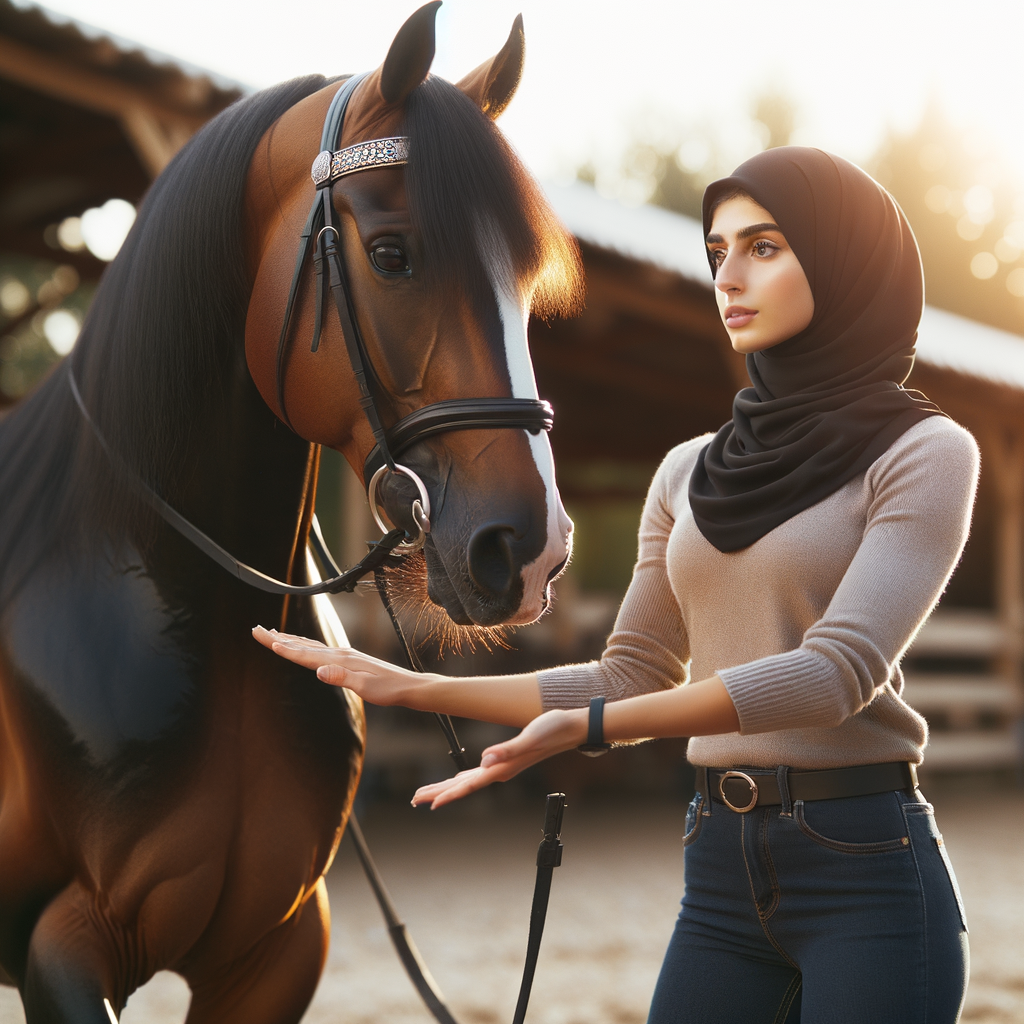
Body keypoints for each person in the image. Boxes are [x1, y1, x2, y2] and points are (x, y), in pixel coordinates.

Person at [254, 147, 977, 1023]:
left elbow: (833, 676)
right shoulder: (686, 472)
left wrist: (590, 728)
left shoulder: (927, 454)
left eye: (764, 246)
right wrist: (412, 687)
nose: (728, 276)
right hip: (717, 865)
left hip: (865, 863)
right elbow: (630, 670)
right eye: (717, 253)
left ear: (846, 261)